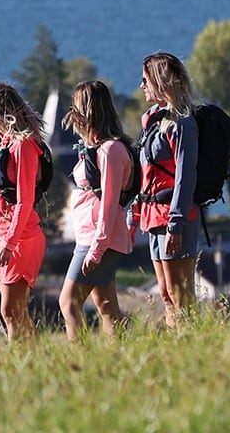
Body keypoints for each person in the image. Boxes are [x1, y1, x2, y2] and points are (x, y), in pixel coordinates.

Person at [59, 79, 131, 339]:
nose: (72, 114)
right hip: (92, 237)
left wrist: (97, 249)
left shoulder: (110, 150)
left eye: (76, 107)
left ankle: (77, 362)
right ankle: (123, 355)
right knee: (107, 307)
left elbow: (110, 204)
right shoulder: (97, 148)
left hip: (97, 240)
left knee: (69, 303)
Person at [0, 80, 50, 342]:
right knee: (14, 311)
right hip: (4, 236)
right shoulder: (4, 146)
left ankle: (21, 361)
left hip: (21, 237)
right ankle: (34, 361)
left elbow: (25, 199)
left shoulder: (23, 146)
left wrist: (9, 242)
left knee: (11, 310)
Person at [134, 52, 199, 325]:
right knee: (165, 294)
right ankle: (178, 349)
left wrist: (176, 222)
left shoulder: (182, 123)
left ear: (161, 81)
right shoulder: (153, 121)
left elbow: (186, 175)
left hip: (175, 217)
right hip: (153, 215)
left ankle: (191, 347)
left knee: (180, 295)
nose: (142, 86)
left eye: (145, 79)